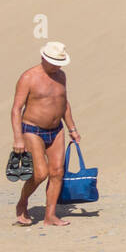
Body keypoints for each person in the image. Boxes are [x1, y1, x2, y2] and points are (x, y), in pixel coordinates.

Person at [11, 42, 80, 226]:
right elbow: (16, 109)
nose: (57, 66)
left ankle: (50, 216)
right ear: (43, 58)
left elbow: (63, 102)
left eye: (60, 62)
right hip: (32, 129)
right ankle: (23, 202)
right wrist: (18, 138)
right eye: (53, 62)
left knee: (57, 172)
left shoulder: (61, 76)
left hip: (56, 129)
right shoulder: (28, 77)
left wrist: (72, 128)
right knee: (41, 173)